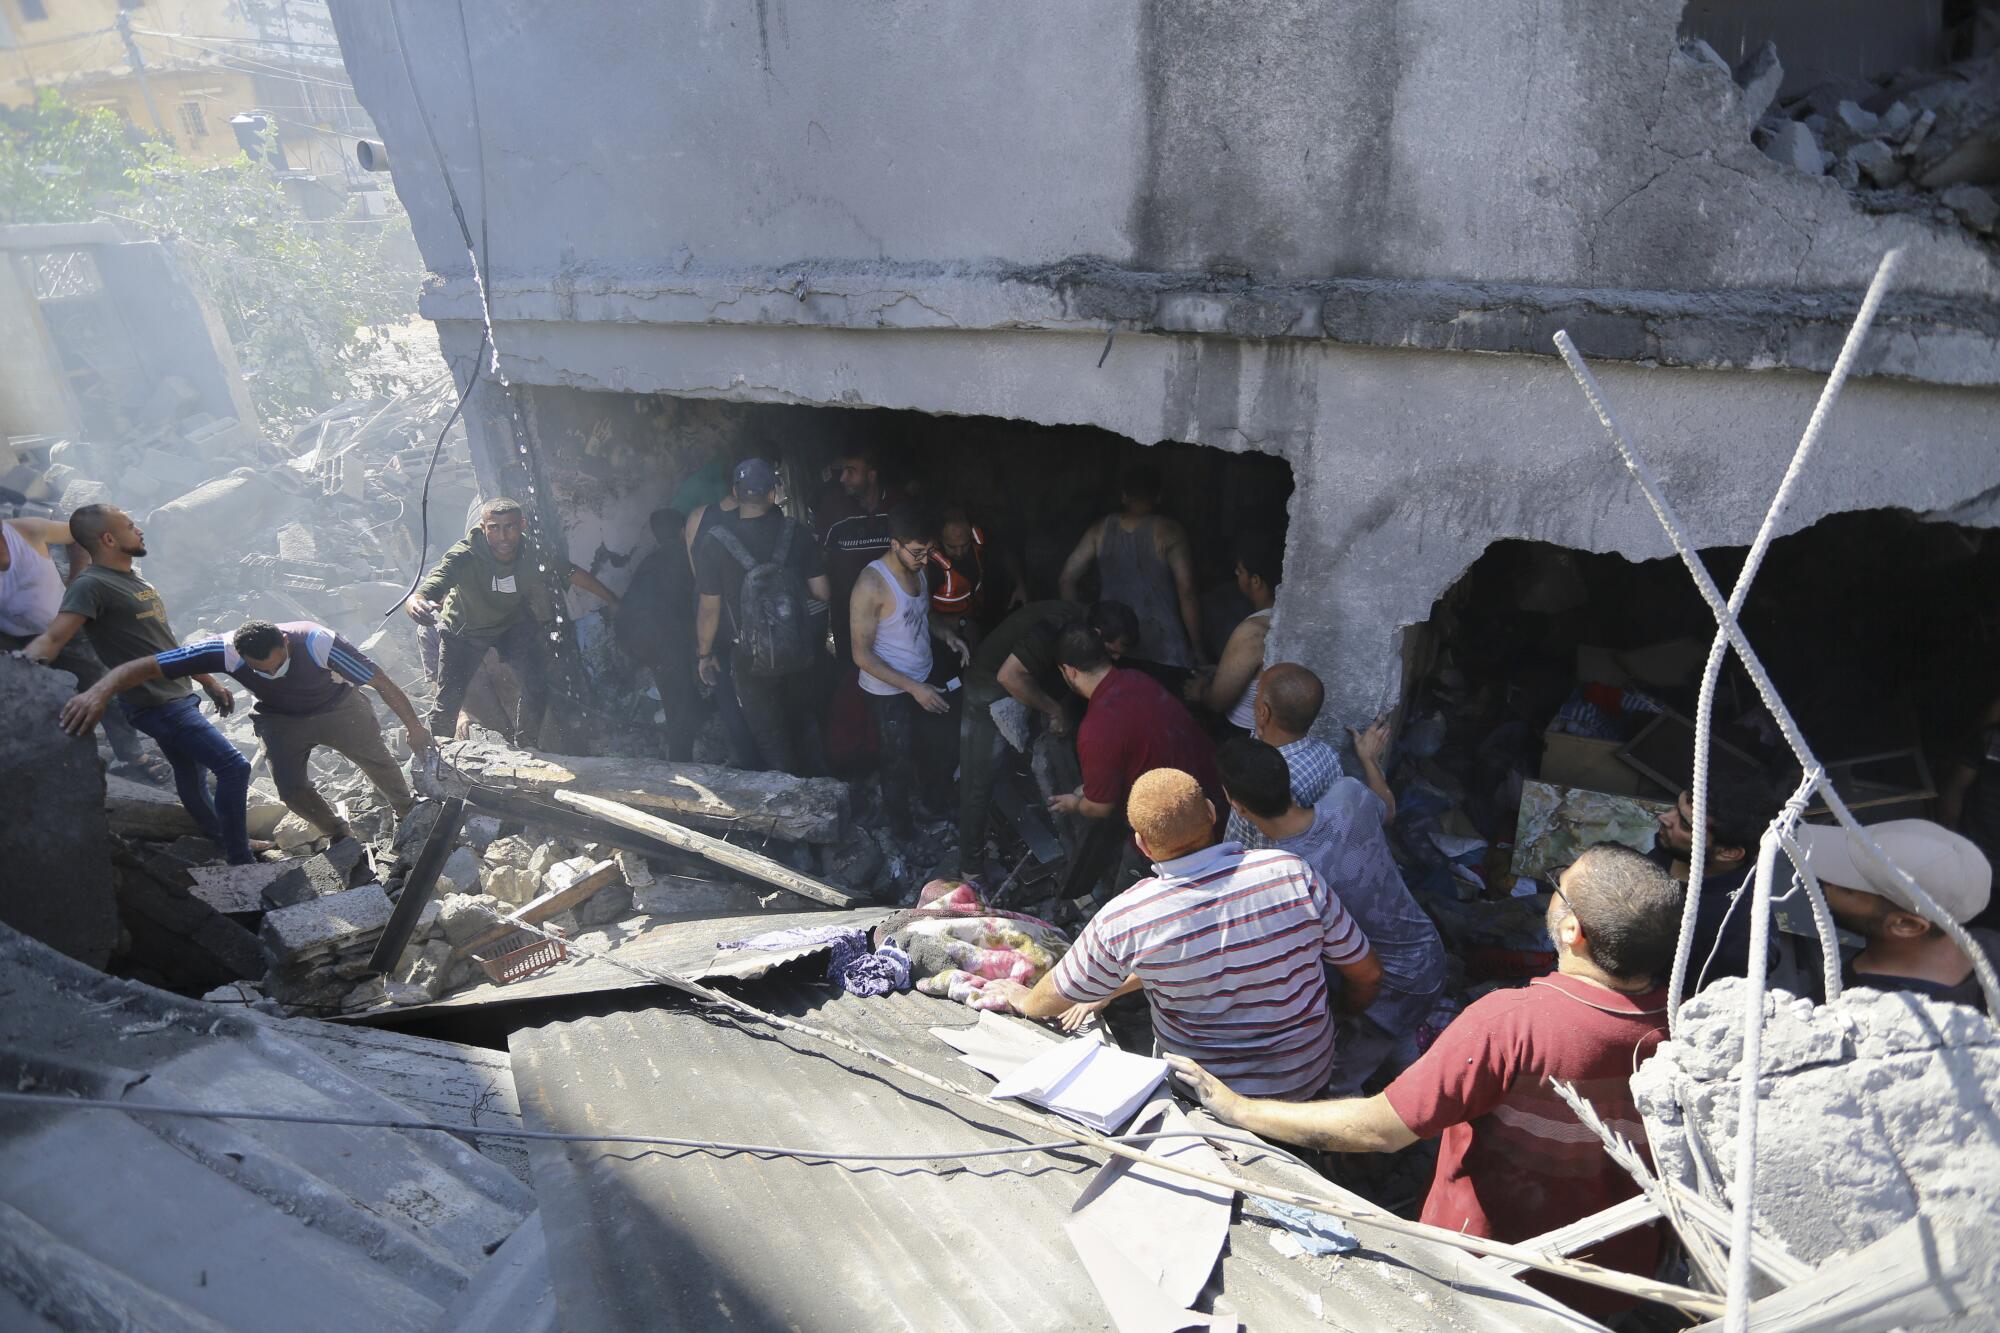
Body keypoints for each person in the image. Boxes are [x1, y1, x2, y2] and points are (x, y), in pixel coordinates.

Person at [1168, 844, 1683, 1321]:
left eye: (1559, 886)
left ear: (1575, 932)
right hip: (1619, 1275)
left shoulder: (1511, 1023)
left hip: (1493, 1274)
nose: (1551, 894)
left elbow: (1381, 1130)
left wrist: (1239, 1110)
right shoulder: (1687, 1025)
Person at [991, 767, 1382, 1099]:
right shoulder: (1292, 873)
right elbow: (1367, 973)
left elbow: (1057, 994)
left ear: (1142, 845)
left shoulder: (1128, 917)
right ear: (1212, 812)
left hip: (1207, 1094)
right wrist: (1341, 1016)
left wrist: (1024, 1000)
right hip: (1308, 1077)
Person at [20, 504, 255, 864]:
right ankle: (242, 858)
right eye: (130, 526)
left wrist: (205, 680)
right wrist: (19, 671)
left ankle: (221, 837)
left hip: (176, 694)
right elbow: (54, 638)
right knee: (234, 767)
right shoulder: (91, 585)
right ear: (109, 538)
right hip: (155, 703)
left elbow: (163, 641)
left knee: (190, 773)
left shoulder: (135, 579)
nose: (139, 530)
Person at [62, 619, 430, 844]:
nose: (270, 673)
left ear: (285, 643)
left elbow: (380, 680)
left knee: (377, 761)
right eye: (260, 670)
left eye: (277, 665)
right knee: (290, 789)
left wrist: (414, 727)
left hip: (337, 706)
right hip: (280, 719)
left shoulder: (317, 641)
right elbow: (148, 665)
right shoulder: (225, 651)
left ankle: (407, 811)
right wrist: (99, 691)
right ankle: (336, 831)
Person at [1218, 737, 1446, 1094]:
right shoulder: (1348, 795)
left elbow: (1359, 978)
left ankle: (1408, 1135)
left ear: (1238, 807)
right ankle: (1423, 1098)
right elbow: (1387, 809)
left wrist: (1344, 1012)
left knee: (1338, 1085)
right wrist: (1369, 759)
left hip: (1386, 987)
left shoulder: (1287, 875)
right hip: (1429, 952)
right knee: (1396, 1041)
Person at [406, 498, 620, 747]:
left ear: (522, 525)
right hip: (464, 631)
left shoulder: (533, 553)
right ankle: (437, 759)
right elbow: (432, 584)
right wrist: (415, 602)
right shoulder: (465, 555)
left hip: (510, 624)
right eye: (494, 528)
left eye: (509, 527)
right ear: (483, 528)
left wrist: (612, 599)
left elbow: (570, 572)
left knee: (537, 684)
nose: (503, 536)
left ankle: (527, 745)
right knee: (448, 703)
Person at [955, 599, 1138, 867]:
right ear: (1097, 635)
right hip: (988, 687)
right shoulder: (1053, 628)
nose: (1116, 661)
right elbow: (1010, 677)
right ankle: (970, 865)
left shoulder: (1083, 626)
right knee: (979, 778)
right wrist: (1054, 710)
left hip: (1022, 678)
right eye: (1113, 652)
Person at [1050, 624, 1226, 897]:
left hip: (1170, 828)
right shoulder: (1137, 679)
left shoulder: (1095, 730)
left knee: (1133, 895)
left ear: (1069, 671)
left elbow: (1100, 808)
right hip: (1212, 799)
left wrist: (1076, 804)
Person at [694, 459, 831, 776]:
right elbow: (823, 592)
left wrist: (704, 654)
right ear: (773, 494)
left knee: (769, 737)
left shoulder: (714, 542)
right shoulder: (796, 532)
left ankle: (784, 797)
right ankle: (821, 791)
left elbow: (709, 608)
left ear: (734, 494)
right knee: (805, 723)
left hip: (750, 657)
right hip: (800, 650)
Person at [0, 512, 154, 776]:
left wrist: (77, 580)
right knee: (30, 704)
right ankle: (51, 770)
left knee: (103, 687)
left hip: (67, 626)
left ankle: (133, 757)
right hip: (13, 638)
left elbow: (79, 536)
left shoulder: (27, 531)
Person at [1796, 818, 1999, 1014]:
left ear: (1906, 925)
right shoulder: (1989, 943)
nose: (1823, 881)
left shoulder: (1848, 1014)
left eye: (1846, 888)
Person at [851, 504, 968, 838]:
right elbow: (861, 655)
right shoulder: (871, 585)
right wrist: (913, 688)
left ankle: (931, 805)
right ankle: (902, 832)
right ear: (895, 544)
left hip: (923, 676)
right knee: (895, 762)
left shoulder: (920, 569)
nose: (924, 559)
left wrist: (947, 635)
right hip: (888, 692)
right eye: (917, 552)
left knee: (934, 747)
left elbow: (921, 614)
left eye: (929, 551)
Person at [1649, 770, 1782, 992]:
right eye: (1675, 807)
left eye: (1685, 824)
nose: (1664, 818)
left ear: (1728, 853)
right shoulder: (1677, 849)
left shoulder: (1738, 936)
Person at [1058, 464, 1201, 668]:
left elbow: (1066, 578)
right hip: (1163, 644)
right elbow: (1187, 590)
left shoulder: (1100, 530)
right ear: (1159, 496)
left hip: (1112, 642)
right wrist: (1198, 647)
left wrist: (1083, 628)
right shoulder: (1170, 531)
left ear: (1124, 496)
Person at [1221, 662, 1363, 850]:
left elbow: (1255, 853)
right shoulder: (1327, 753)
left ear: (1263, 713)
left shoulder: (1259, 782)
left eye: (1256, 695)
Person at [619, 507, 702, 761]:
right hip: (661, 635)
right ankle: (681, 761)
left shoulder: (650, 560)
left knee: (678, 692)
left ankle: (692, 728)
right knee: (678, 700)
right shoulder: (688, 556)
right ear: (682, 530)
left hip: (633, 634)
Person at [1186, 530, 1281, 729]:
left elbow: (1218, 702)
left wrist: (1200, 691)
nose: (1237, 577)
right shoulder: (1297, 619)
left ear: (1255, 580)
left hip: (1245, 733)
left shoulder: (1255, 630)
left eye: (1239, 572)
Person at [819, 446, 903, 666]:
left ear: (871, 475)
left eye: (850, 471)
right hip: (847, 614)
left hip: (892, 613)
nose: (843, 478)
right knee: (850, 671)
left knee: (894, 669)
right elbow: (820, 556)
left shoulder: (898, 506)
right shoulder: (832, 508)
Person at [928, 504, 1026, 640]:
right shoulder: (930, 566)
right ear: (939, 539)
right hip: (949, 634)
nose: (959, 552)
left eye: (965, 545)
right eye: (952, 546)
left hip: (980, 616)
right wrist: (961, 623)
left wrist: (1019, 583)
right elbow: (925, 614)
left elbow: (1006, 554)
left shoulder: (978, 539)